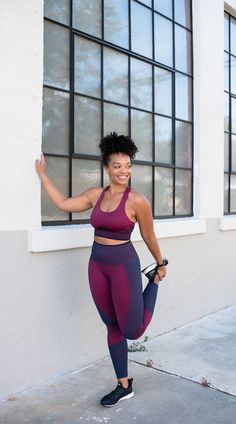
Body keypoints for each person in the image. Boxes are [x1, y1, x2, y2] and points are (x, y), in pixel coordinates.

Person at [35, 132, 167, 408]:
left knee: (132, 330)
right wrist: (43, 176)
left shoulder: (137, 201)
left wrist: (159, 262)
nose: (124, 171)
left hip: (124, 266)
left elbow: (149, 235)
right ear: (107, 167)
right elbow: (63, 204)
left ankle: (152, 282)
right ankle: (124, 384)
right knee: (112, 326)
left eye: (128, 165)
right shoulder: (95, 194)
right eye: (118, 165)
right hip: (97, 266)